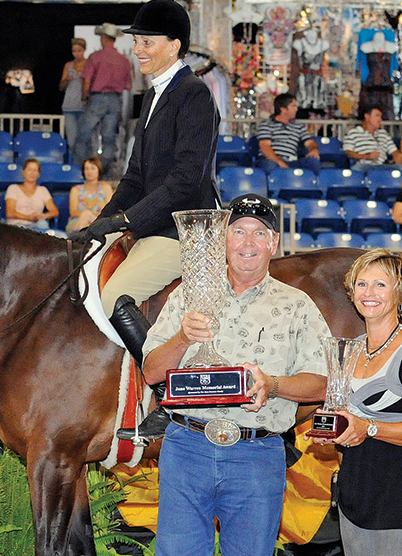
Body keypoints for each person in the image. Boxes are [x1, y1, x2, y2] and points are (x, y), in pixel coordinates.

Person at [142, 194, 332, 556]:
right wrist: (182, 338)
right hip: (186, 448)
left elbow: (322, 382)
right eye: (238, 231)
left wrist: (272, 385)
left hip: (257, 453)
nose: (248, 242)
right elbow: (152, 370)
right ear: (222, 240)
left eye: (259, 233)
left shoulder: (296, 305)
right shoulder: (188, 295)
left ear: (273, 243)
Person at [68, 0, 220, 442]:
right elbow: (135, 176)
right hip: (155, 223)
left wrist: (125, 223)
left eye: (146, 41)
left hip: (186, 230)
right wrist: (99, 224)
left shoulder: (193, 95)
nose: (138, 49)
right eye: (137, 41)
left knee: (115, 293)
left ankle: (168, 396)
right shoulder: (152, 96)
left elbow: (186, 178)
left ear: (174, 45)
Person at [313, 249, 402, 555]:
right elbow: (346, 419)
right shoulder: (349, 351)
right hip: (355, 500)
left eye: (380, 285)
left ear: (400, 294)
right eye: (361, 284)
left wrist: (368, 427)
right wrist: (331, 429)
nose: (368, 293)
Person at [75, 22, 132, 175]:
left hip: (97, 98)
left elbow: (86, 81)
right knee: (109, 138)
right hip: (115, 100)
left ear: (103, 38)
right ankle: (103, 171)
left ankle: (80, 170)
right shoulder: (124, 60)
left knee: (83, 134)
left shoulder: (95, 57)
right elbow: (128, 85)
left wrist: (84, 98)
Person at [254, 92, 322, 176]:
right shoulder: (266, 124)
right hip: (271, 160)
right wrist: (279, 162)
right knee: (269, 166)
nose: (296, 109)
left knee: (313, 162)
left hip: (292, 161)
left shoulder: (298, 126)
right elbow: (265, 146)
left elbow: (310, 142)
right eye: (293, 106)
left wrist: (314, 149)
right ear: (283, 109)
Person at [344, 104, 402, 173]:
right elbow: (348, 152)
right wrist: (367, 156)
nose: (380, 119)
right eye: (377, 116)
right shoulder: (353, 133)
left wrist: (397, 156)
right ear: (367, 117)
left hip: (382, 165)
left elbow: (393, 150)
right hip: (364, 165)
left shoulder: (383, 133)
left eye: (380, 116)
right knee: (357, 168)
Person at [5, 158, 58, 229]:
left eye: (35, 170)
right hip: (17, 223)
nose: (32, 173)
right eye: (29, 169)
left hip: (37, 223)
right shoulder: (13, 188)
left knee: (43, 224)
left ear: (39, 174)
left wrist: (44, 216)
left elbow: (54, 211)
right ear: (23, 172)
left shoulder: (43, 190)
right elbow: (10, 213)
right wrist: (28, 217)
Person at [66, 156, 113, 233]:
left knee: (89, 218)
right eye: (86, 168)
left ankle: (77, 239)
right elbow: (73, 212)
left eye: (93, 168)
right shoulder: (76, 189)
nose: (89, 171)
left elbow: (109, 210)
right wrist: (87, 215)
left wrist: (92, 215)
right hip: (77, 221)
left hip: (99, 221)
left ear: (99, 170)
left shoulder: (106, 187)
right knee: (86, 216)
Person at [60, 37, 87, 144]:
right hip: (69, 106)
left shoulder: (89, 64)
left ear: (84, 50)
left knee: (84, 141)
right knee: (72, 141)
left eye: (79, 50)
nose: (76, 54)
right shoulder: (68, 65)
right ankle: (73, 160)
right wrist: (66, 80)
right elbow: (61, 87)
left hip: (84, 107)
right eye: (74, 51)